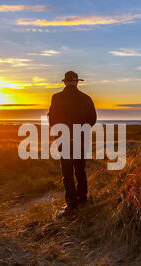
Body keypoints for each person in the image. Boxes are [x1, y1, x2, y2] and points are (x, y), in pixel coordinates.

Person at [48, 71, 97, 216]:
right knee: (80, 170)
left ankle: (71, 205)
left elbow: (52, 121)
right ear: (76, 82)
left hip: (64, 139)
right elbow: (92, 119)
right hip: (81, 139)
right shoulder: (86, 98)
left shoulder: (56, 98)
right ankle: (82, 199)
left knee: (67, 173)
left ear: (64, 82)